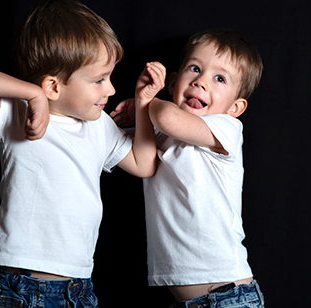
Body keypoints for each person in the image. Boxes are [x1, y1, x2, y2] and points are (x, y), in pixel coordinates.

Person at [0, 0, 159, 308]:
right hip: (22, 286)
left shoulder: (99, 125)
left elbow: (144, 164)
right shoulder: (19, 112)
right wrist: (32, 95)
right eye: (99, 80)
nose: (111, 89)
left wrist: (143, 104)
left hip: (79, 285)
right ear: (52, 87)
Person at [109, 29, 267, 308]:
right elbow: (115, 141)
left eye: (219, 78)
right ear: (173, 83)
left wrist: (144, 101)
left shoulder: (226, 128)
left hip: (227, 297)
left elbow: (167, 117)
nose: (200, 82)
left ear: (235, 107)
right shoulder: (156, 134)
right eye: (195, 68)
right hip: (192, 301)